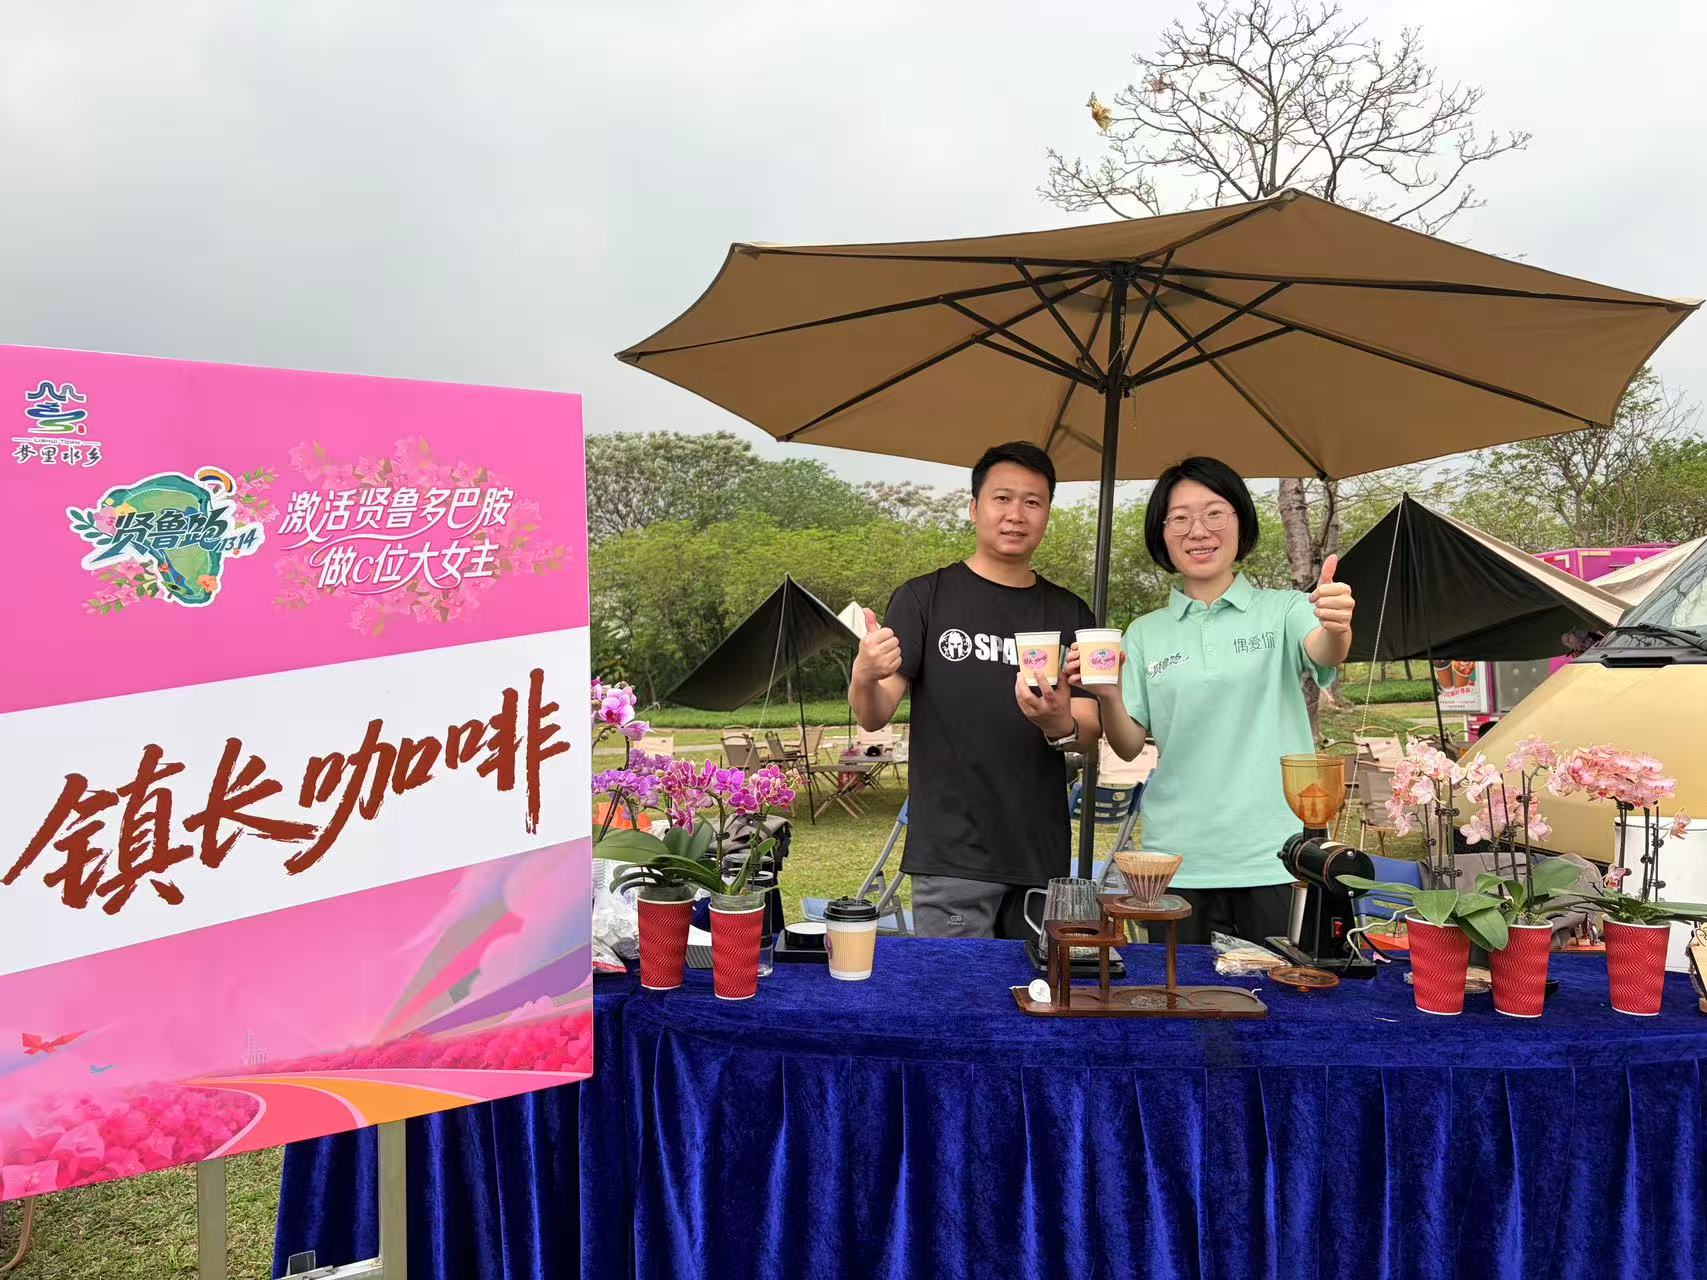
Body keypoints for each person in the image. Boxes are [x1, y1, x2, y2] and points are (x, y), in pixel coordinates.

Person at [1069, 456, 1356, 946]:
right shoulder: (1144, 634)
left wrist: (1336, 623)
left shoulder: (1284, 609)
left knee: (1284, 992)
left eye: (1214, 513)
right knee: (1181, 990)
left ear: (1240, 522)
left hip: (1276, 854)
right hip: (1174, 862)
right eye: (1179, 518)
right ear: (1162, 534)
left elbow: (1325, 650)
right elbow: (1128, 744)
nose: (1198, 531)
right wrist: (1109, 695)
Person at [849, 442, 1102, 938]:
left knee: (1039, 985)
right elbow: (874, 714)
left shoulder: (1071, 612)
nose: (1016, 514)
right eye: (1002, 498)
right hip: (951, 856)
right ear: (973, 508)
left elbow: (1090, 729)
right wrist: (863, 674)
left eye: (1032, 502)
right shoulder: (924, 598)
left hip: (1040, 854)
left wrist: (1057, 722)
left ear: (1047, 514)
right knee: (956, 987)